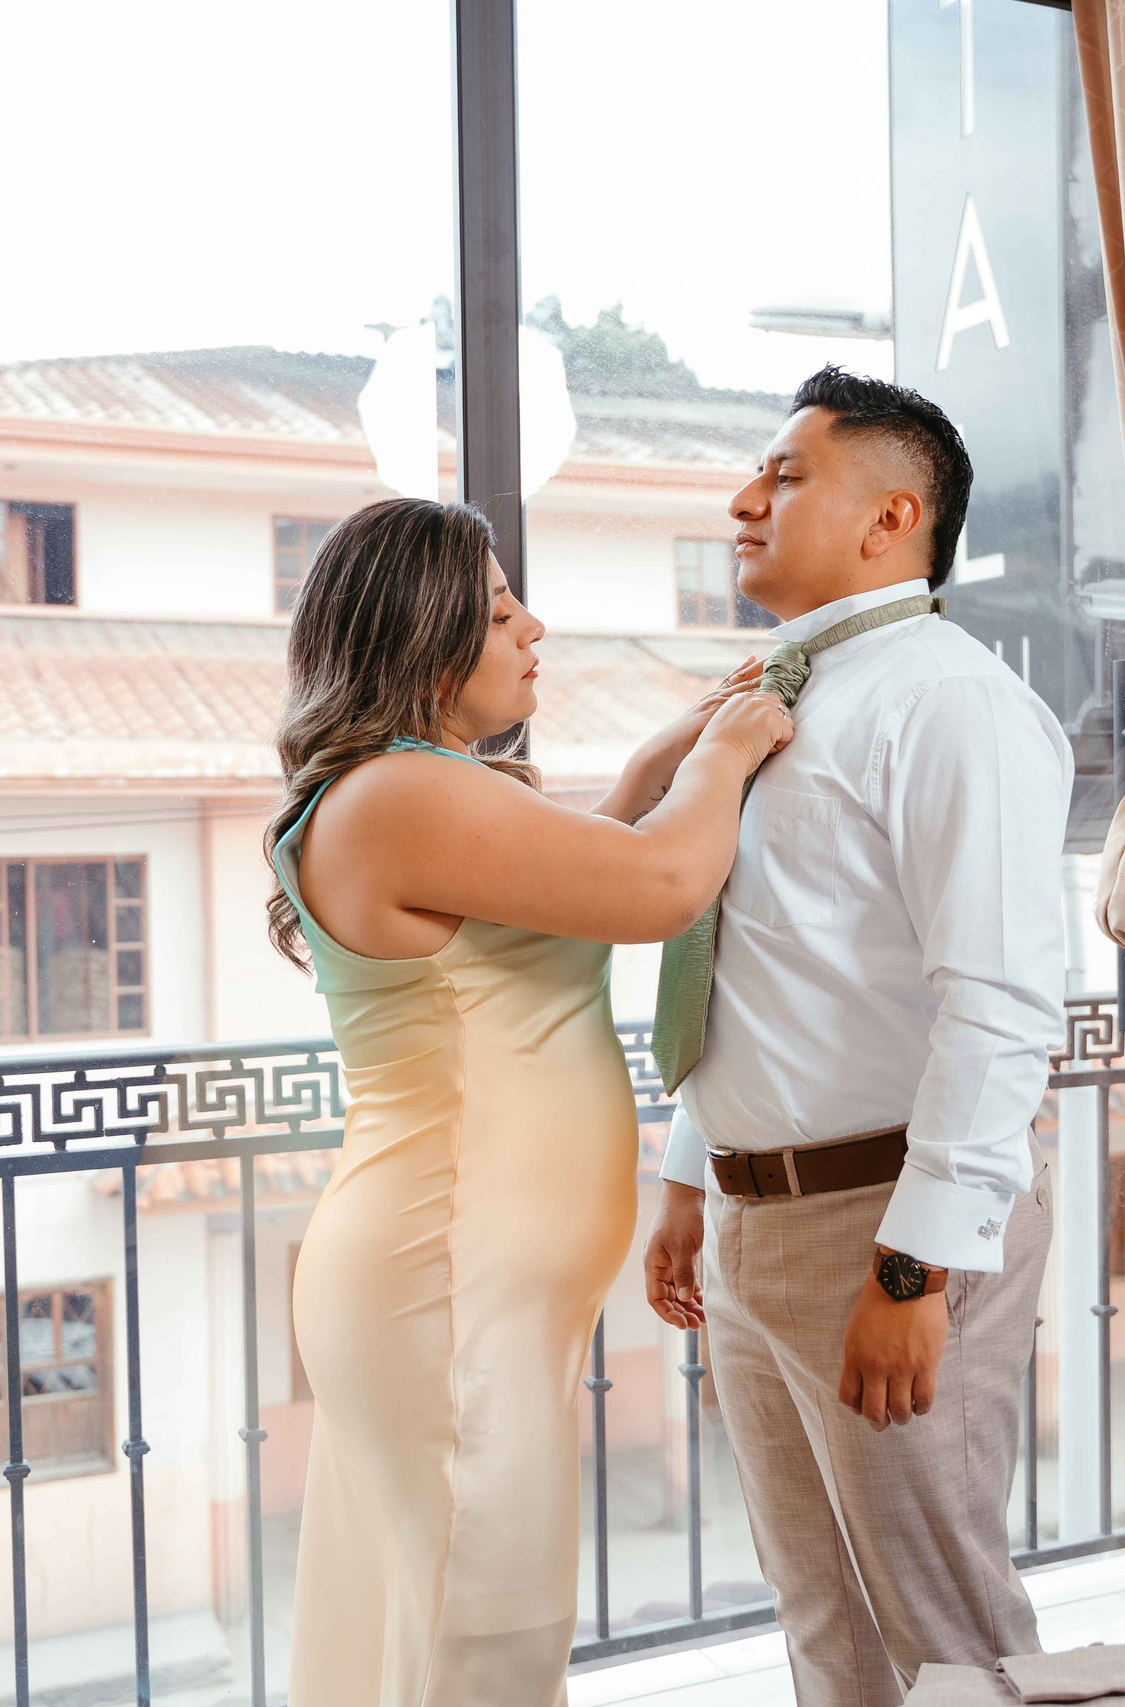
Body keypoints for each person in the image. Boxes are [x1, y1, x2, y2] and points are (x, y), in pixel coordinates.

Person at [268, 496, 792, 1707]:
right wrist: (723, 755)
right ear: (424, 633)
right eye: (501, 611)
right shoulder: (401, 794)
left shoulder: (418, 789)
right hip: (446, 1283)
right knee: (486, 1637)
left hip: (461, 1282)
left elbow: (567, 870)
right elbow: (658, 883)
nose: (532, 628)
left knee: (450, 1624)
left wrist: (662, 759)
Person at [642, 367, 1072, 1706]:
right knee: (822, 1617)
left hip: (879, 1221)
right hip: (752, 1219)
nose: (742, 500)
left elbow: (999, 1000)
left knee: (943, 1626)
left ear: (893, 518)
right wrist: (688, 1178)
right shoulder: (771, 698)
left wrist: (911, 1269)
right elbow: (763, 959)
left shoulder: (949, 701)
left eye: (784, 476)